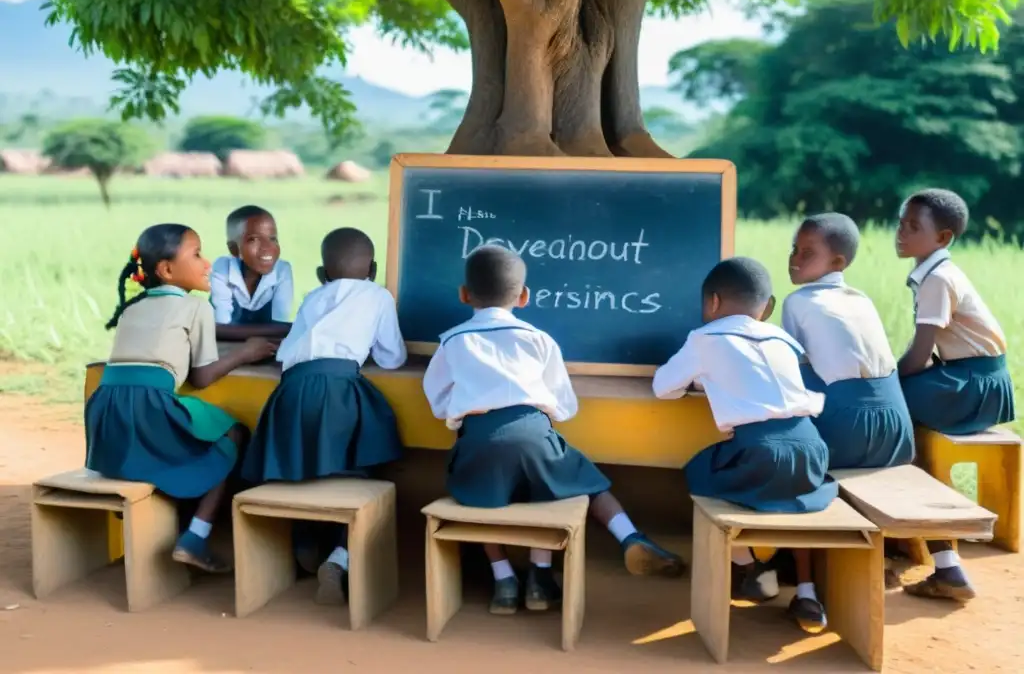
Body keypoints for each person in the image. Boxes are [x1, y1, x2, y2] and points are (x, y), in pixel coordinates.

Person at [423, 245, 684, 616]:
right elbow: (563, 406)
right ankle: (594, 552)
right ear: (524, 296)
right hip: (533, 432)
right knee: (574, 486)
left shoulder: (452, 341)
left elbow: (438, 400)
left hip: (479, 441)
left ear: (464, 295)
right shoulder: (539, 340)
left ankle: (504, 581)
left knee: (483, 501)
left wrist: (466, 414)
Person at [653, 257, 837, 634]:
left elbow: (662, 387)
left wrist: (699, 382)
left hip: (758, 451)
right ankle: (807, 592)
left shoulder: (704, 339)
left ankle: (749, 567)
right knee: (796, 505)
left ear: (713, 303)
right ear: (765, 307)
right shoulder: (784, 340)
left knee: (699, 473)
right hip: (811, 447)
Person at [85, 224, 278, 572]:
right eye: (197, 254)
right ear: (167, 270)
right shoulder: (195, 308)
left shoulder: (132, 308)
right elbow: (202, 376)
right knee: (232, 432)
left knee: (188, 430)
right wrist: (246, 354)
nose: (208, 265)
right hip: (149, 409)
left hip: (105, 413)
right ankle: (196, 537)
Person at [242, 227, 406, 606]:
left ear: (322, 273)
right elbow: (391, 357)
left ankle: (303, 540)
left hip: (290, 392)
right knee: (360, 465)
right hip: (338, 388)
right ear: (374, 268)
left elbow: (287, 355)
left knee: (302, 466)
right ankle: (339, 557)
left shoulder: (313, 297)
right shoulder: (378, 295)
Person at [896, 188, 1014, 602]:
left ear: (942, 238)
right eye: (900, 223)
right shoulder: (934, 271)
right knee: (892, 417)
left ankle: (941, 557)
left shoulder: (938, 278)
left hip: (972, 388)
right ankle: (919, 540)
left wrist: (884, 381)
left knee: (885, 412)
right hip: (972, 380)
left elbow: (917, 353)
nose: (901, 233)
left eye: (913, 227)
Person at [782, 213, 915, 470]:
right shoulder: (861, 299)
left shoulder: (797, 301)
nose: (794, 259)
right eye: (794, 250)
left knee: (787, 372)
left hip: (846, 432)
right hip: (897, 432)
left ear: (837, 262)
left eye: (807, 253)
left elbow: (791, 371)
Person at [210, 205, 293, 341]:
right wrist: (282, 329)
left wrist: (281, 329)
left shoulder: (282, 270)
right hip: (225, 349)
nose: (267, 247)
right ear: (234, 249)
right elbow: (220, 327)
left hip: (263, 347)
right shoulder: (222, 268)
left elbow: (280, 324)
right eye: (253, 239)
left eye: (273, 239)